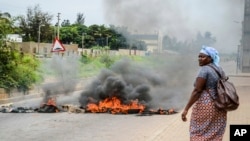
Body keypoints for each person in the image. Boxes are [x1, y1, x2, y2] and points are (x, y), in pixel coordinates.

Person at [181, 45, 227, 141]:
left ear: (210, 58)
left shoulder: (204, 70)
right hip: (220, 106)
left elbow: (197, 91)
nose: (200, 59)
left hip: (206, 106)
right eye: (199, 56)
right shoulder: (220, 69)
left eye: (203, 56)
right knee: (215, 134)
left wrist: (186, 109)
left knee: (198, 132)